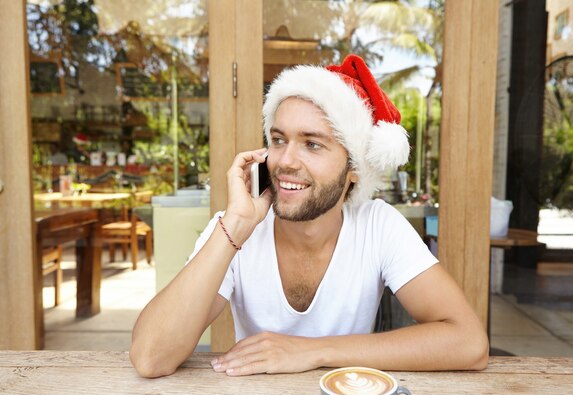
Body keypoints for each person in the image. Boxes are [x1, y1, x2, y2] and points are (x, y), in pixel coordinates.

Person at [130, 55, 489, 378]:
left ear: (354, 170)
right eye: (278, 139)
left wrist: (313, 351)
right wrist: (236, 226)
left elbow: (468, 343)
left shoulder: (379, 226)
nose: (285, 161)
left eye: (312, 144)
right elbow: (151, 357)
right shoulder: (234, 227)